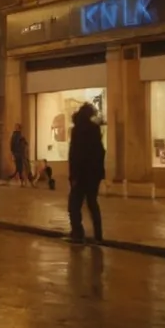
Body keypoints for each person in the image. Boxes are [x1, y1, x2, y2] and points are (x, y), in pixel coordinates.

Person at [67, 103, 105, 244]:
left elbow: (75, 154)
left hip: (81, 173)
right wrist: (100, 172)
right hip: (93, 174)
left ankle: (77, 232)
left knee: (74, 205)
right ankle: (98, 234)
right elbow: (100, 152)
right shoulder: (94, 129)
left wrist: (73, 175)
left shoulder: (77, 130)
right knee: (92, 203)